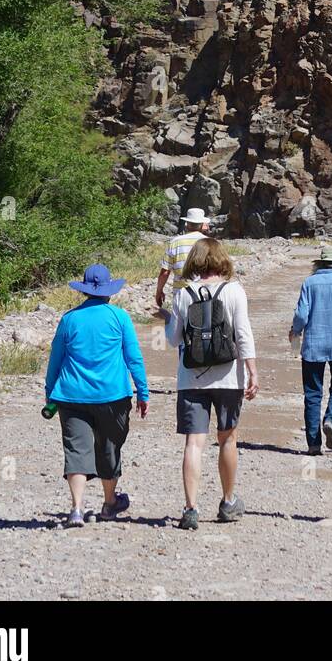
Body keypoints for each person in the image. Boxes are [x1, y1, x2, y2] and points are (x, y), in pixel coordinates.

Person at [45, 264, 149, 528]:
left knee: (76, 450)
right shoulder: (120, 317)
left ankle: (77, 509)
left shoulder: (69, 319)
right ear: (109, 291)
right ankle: (109, 502)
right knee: (109, 447)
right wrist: (143, 392)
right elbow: (133, 358)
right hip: (112, 396)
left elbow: (55, 360)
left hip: (71, 396)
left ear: (84, 291)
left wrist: (50, 395)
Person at [165, 236, 259, 530]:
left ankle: (190, 508)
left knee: (194, 443)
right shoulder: (234, 291)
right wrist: (252, 371)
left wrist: (169, 317)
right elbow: (243, 334)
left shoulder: (183, 294)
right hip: (229, 377)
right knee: (227, 438)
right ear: (221, 259)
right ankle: (228, 501)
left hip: (190, 378)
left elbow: (172, 340)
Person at [289, 245, 332, 455]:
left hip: (313, 345)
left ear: (318, 263)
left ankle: (313, 444)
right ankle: (331, 420)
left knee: (312, 394)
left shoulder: (309, 282)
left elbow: (302, 315)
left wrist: (295, 331)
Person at [155, 207, 210, 311]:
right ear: (202, 224)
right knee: (201, 323)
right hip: (204, 291)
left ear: (187, 224)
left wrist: (159, 291)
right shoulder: (209, 243)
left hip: (181, 293)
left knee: (179, 325)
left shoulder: (175, 242)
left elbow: (165, 272)